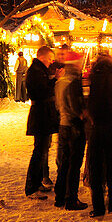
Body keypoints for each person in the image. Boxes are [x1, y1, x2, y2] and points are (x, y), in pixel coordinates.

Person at [86, 54, 112, 218]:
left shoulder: (94, 78)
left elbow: (91, 102)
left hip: (97, 126)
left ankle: (98, 207)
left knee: (95, 167)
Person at [54, 50, 88, 210]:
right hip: (73, 126)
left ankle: (60, 195)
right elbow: (75, 105)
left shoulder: (60, 81)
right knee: (74, 164)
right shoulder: (73, 81)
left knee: (65, 161)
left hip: (62, 124)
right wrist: (82, 114)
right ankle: (71, 199)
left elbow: (57, 104)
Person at [25, 46, 59, 198]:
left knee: (42, 150)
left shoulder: (38, 70)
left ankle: (37, 183)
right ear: (43, 57)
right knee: (39, 151)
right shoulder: (35, 71)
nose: (52, 61)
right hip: (40, 116)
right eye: (50, 58)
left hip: (43, 115)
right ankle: (31, 187)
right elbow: (43, 92)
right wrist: (56, 80)